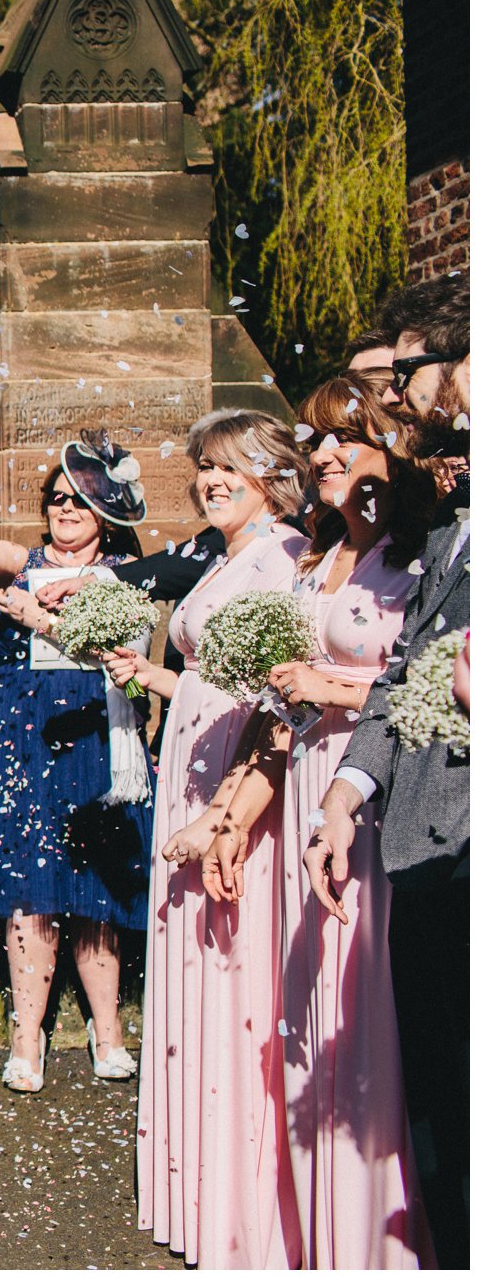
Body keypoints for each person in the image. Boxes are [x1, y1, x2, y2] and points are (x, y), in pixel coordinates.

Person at [96, 410, 310, 1267]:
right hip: (188, 764)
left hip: (233, 795)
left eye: (229, 468)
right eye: (204, 469)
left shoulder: (286, 557)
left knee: (234, 973)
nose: (210, 481)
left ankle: (239, 1201)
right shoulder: (227, 557)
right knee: (190, 966)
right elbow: (215, 676)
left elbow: (275, 700)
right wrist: (154, 675)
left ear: (271, 473)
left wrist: (227, 809)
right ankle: (195, 1190)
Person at [0, 432, 153, 1095]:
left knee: (95, 894)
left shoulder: (127, 573)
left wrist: (39, 619)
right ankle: (27, 1035)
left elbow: (128, 663)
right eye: (56, 498)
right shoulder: (22, 560)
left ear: (108, 510)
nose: (65, 509)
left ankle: (108, 1030)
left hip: (96, 739)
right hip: (26, 741)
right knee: (29, 895)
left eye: (80, 500)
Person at [308, 274, 470, 1267]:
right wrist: (344, 788)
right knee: (442, 1121)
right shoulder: (456, 524)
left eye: (405, 370)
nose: (396, 397)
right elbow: (405, 668)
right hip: (417, 851)